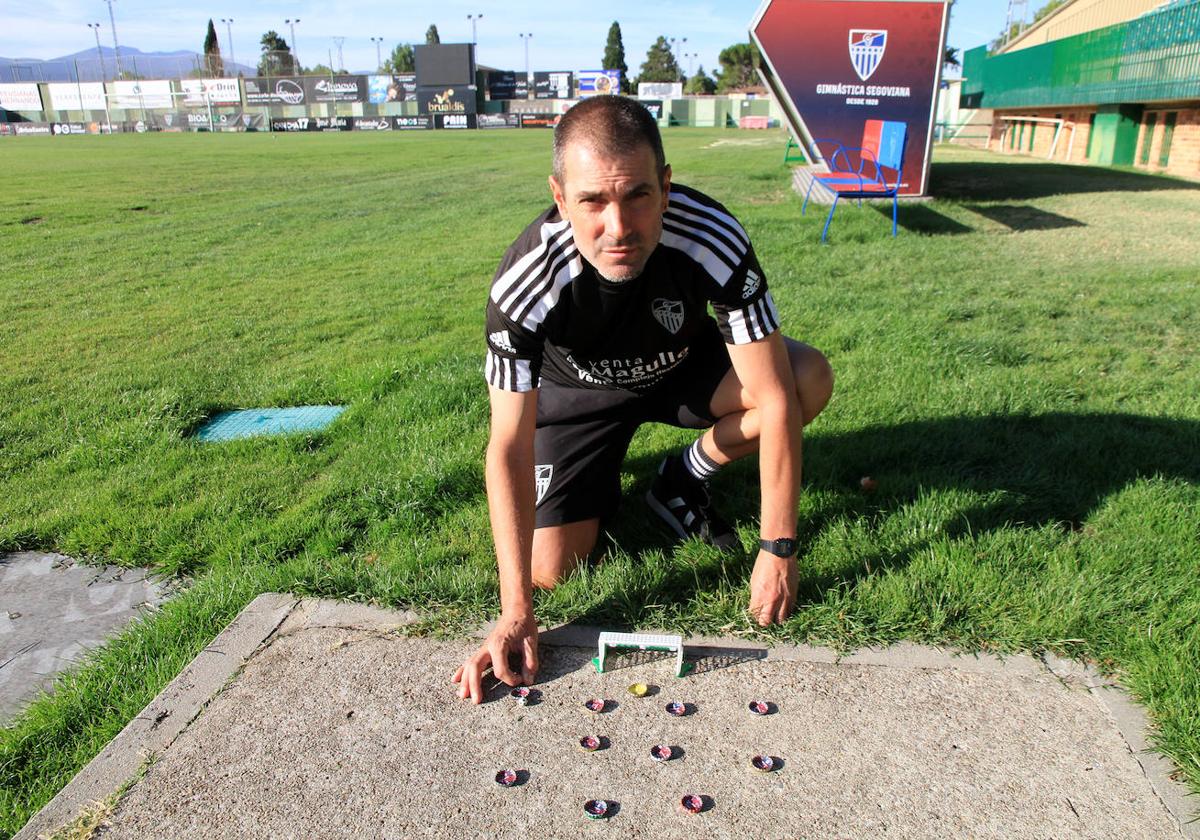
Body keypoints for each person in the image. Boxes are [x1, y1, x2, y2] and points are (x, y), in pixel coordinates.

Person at [453, 96, 833, 704]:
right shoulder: (525, 281)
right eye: (592, 202)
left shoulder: (712, 234)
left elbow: (775, 396)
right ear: (560, 197)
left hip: (680, 368)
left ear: (665, 185)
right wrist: (514, 610)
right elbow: (507, 447)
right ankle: (598, 480)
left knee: (806, 376)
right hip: (579, 396)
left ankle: (682, 477)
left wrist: (778, 546)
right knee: (551, 567)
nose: (618, 227)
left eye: (636, 196)